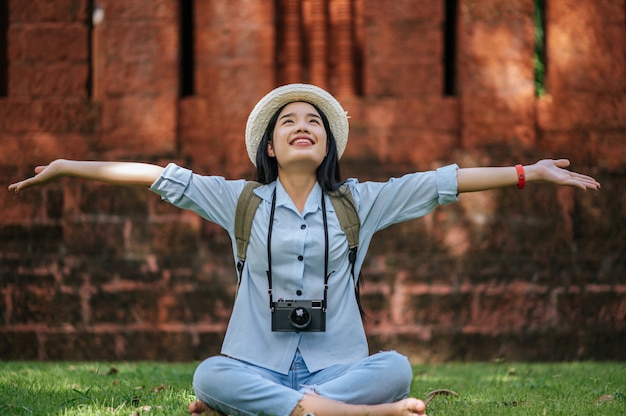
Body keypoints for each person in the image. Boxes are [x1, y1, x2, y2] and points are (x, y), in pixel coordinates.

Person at [9, 84, 600, 416]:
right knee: (210, 374)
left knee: (396, 367)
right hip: (253, 361)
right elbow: (153, 175)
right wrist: (68, 167)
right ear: (270, 144)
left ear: (326, 146)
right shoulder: (236, 200)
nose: (301, 125)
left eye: (313, 121)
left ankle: (277, 411)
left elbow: (442, 182)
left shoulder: (360, 203)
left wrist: (532, 173)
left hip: (337, 366)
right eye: (287, 120)